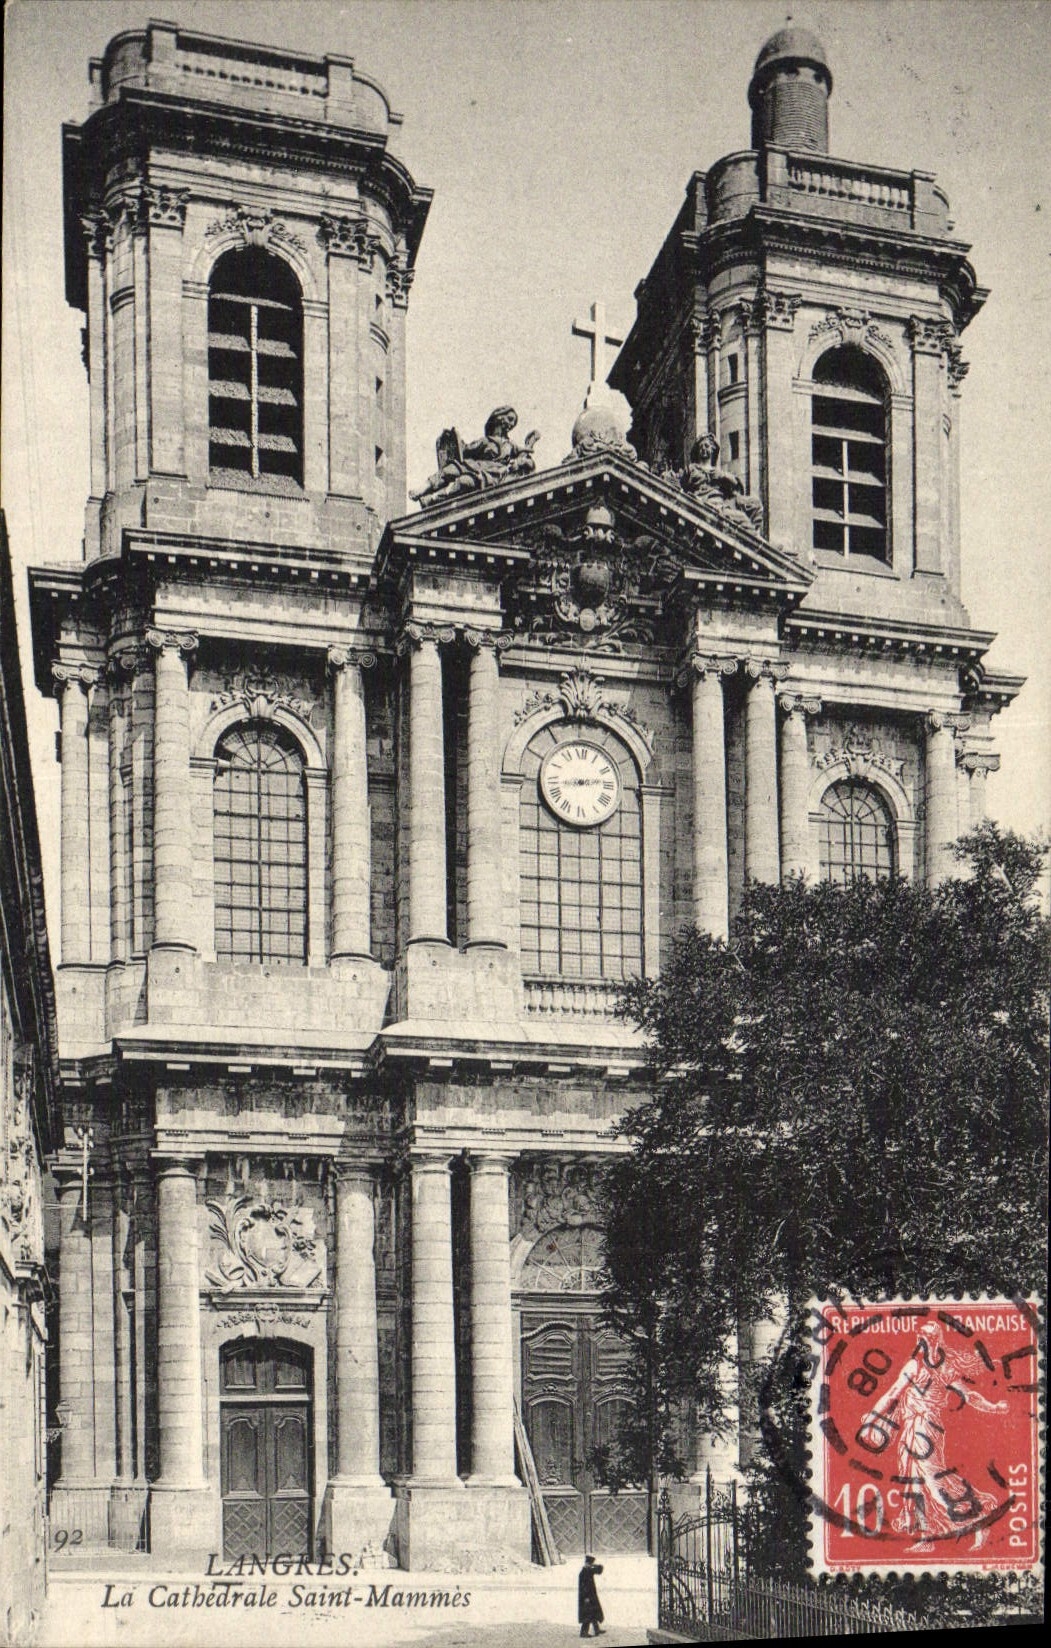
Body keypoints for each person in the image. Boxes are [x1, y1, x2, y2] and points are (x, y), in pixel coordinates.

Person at [859, 1318, 1007, 1552]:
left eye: (928, 1338)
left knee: (934, 1481)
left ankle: (979, 1519)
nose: (923, 1343)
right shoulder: (913, 1367)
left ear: (937, 1341)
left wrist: (993, 1407)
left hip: (928, 1428)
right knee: (914, 1483)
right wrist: (875, 1416)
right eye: (921, 1339)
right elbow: (892, 1395)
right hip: (911, 1428)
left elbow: (969, 1396)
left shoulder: (945, 1369)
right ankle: (927, 1537)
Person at [577, 1553, 605, 1637]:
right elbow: (583, 1587)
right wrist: (586, 1597)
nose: (590, 1565)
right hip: (587, 1597)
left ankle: (597, 1630)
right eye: (590, 1563)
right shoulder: (584, 1573)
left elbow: (599, 1571)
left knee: (593, 1612)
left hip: (591, 1596)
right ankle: (583, 1633)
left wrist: (596, 1565)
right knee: (587, 1614)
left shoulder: (588, 1570)